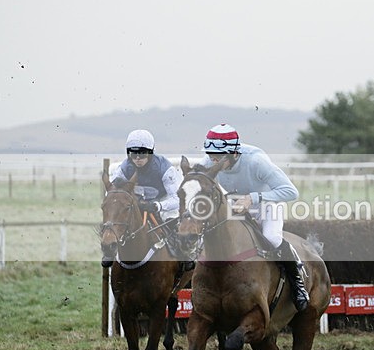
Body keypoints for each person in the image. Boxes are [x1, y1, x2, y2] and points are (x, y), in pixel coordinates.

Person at [197, 123, 309, 311]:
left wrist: (253, 198)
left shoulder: (256, 162)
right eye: (211, 156)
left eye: (218, 157)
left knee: (272, 239)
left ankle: (298, 285)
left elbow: (291, 192)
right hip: (235, 204)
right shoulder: (210, 162)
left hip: (267, 203)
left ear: (233, 153)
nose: (213, 162)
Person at [109, 129, 194, 271]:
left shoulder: (165, 168)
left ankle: (185, 254)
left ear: (151, 152)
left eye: (142, 154)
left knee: (174, 224)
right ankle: (109, 250)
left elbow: (178, 199)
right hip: (138, 204)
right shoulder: (123, 168)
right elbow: (112, 195)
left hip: (165, 202)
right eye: (133, 153)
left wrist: (157, 206)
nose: (137, 158)